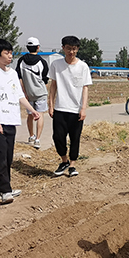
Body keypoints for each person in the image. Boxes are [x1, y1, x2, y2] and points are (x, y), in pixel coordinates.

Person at [0, 39, 40, 204]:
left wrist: (32, 110)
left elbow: (19, 95)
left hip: (10, 119)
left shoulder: (12, 73)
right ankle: (5, 190)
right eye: (6, 53)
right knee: (0, 156)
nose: (10, 56)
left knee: (8, 156)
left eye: (11, 52)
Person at [48, 35, 92, 177]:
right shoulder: (56, 65)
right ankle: (64, 160)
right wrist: (50, 104)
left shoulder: (83, 66)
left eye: (74, 49)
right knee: (58, 137)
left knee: (75, 138)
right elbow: (53, 85)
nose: (71, 52)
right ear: (63, 48)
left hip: (76, 109)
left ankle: (72, 164)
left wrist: (83, 108)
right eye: (68, 49)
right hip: (60, 108)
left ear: (77, 49)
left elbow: (85, 88)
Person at [15, 37, 49, 149]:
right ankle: (38, 139)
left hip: (27, 94)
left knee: (30, 115)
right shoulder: (42, 62)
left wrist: (23, 91)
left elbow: (19, 78)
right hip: (40, 93)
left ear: (27, 47)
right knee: (40, 115)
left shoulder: (21, 61)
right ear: (38, 47)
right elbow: (45, 79)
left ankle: (31, 136)